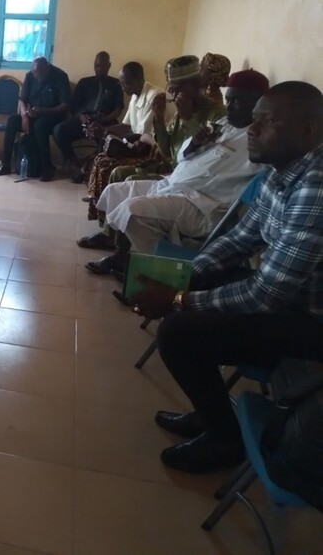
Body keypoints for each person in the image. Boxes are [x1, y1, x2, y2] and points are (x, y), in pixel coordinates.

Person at [129, 81, 323, 474]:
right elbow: (240, 238)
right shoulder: (282, 171)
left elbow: (265, 295)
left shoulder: (316, 187)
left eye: (267, 122)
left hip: (310, 323)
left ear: (309, 130)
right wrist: (186, 276)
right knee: (198, 283)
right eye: (253, 121)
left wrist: (179, 300)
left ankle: (224, 438)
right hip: (287, 296)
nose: (252, 130)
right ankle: (209, 408)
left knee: (178, 333)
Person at [84, 69, 269, 276]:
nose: (230, 107)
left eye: (237, 101)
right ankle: (124, 255)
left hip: (203, 204)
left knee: (133, 211)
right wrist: (194, 143)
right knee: (115, 191)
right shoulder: (225, 123)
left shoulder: (255, 138)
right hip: (177, 184)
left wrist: (189, 120)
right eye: (229, 100)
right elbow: (177, 153)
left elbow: (217, 174)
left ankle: (161, 274)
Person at [82, 62, 173, 222]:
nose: (122, 87)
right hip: (139, 146)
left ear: (139, 79)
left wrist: (104, 132)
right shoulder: (135, 96)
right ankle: (98, 202)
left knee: (106, 165)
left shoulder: (155, 96)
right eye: (121, 83)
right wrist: (102, 128)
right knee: (100, 159)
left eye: (125, 83)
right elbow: (126, 126)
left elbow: (141, 135)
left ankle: (108, 217)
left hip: (153, 152)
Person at [0, 56, 72, 181]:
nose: (38, 77)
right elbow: (22, 99)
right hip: (32, 114)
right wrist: (24, 115)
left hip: (53, 116)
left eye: (40, 74)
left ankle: (47, 169)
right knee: (12, 121)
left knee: (39, 126)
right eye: (35, 74)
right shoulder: (30, 76)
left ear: (48, 68)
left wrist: (43, 111)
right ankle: (6, 164)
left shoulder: (60, 76)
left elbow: (65, 105)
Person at [52, 51, 124, 178]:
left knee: (111, 141)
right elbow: (74, 106)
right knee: (59, 129)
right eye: (97, 66)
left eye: (103, 66)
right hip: (85, 121)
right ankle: (75, 163)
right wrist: (80, 116)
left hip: (105, 122)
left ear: (109, 65)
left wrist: (105, 120)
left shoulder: (116, 84)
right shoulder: (85, 82)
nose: (99, 69)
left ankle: (91, 169)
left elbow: (118, 109)